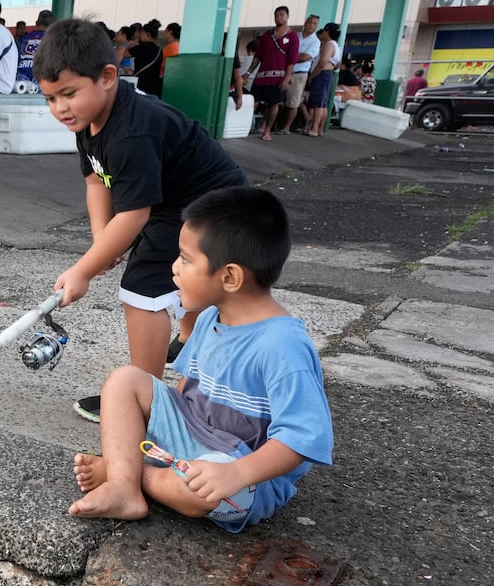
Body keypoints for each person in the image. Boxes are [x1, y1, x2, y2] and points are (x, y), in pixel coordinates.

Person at [68, 186, 332, 530]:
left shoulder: (282, 346)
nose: (174, 268)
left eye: (186, 259)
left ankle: (129, 472)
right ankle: (123, 487)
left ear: (230, 277)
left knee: (207, 495)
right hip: (196, 440)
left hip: (241, 470)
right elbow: (186, 389)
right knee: (124, 380)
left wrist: (236, 473)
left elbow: (304, 436)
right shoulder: (210, 317)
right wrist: (162, 424)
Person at [33, 17, 247, 422]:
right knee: (181, 280)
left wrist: (84, 270)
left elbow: (133, 214)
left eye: (68, 94)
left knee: (142, 286)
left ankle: (146, 400)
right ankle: (190, 349)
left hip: (213, 205)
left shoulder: (132, 130)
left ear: (108, 76)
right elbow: (97, 179)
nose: (60, 108)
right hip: (175, 201)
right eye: (50, 99)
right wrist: (101, 243)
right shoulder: (89, 117)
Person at [251, 6, 299, 142]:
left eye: (282, 15)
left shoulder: (293, 36)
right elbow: (258, 56)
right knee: (254, 100)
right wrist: (249, 72)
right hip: (262, 76)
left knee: (274, 103)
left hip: (279, 76)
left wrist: (287, 77)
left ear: (287, 16)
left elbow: (292, 59)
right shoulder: (267, 35)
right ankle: (249, 125)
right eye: (277, 15)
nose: (279, 17)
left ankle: (267, 130)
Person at [279, 14, 319, 134]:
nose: (311, 25)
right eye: (310, 22)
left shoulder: (315, 42)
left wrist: (290, 57)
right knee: (277, 99)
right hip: (285, 71)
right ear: (305, 23)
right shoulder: (295, 36)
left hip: (299, 74)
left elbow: (305, 57)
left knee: (293, 102)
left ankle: (286, 128)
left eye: (315, 24)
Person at [305, 23, 342, 137]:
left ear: (327, 32)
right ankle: (320, 129)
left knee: (317, 104)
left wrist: (313, 75)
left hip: (322, 74)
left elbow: (322, 62)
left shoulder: (328, 45)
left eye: (324, 31)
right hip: (329, 74)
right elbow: (338, 64)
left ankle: (314, 129)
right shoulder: (337, 46)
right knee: (323, 104)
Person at [17, 9, 53, 88]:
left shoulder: (23, 39)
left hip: (21, 75)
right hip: (41, 76)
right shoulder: (52, 40)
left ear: (36, 23)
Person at [128, 22, 163, 96]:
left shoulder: (141, 47)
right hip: (154, 86)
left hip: (141, 84)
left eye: (141, 33)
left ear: (146, 34)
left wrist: (135, 41)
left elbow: (125, 54)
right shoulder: (159, 50)